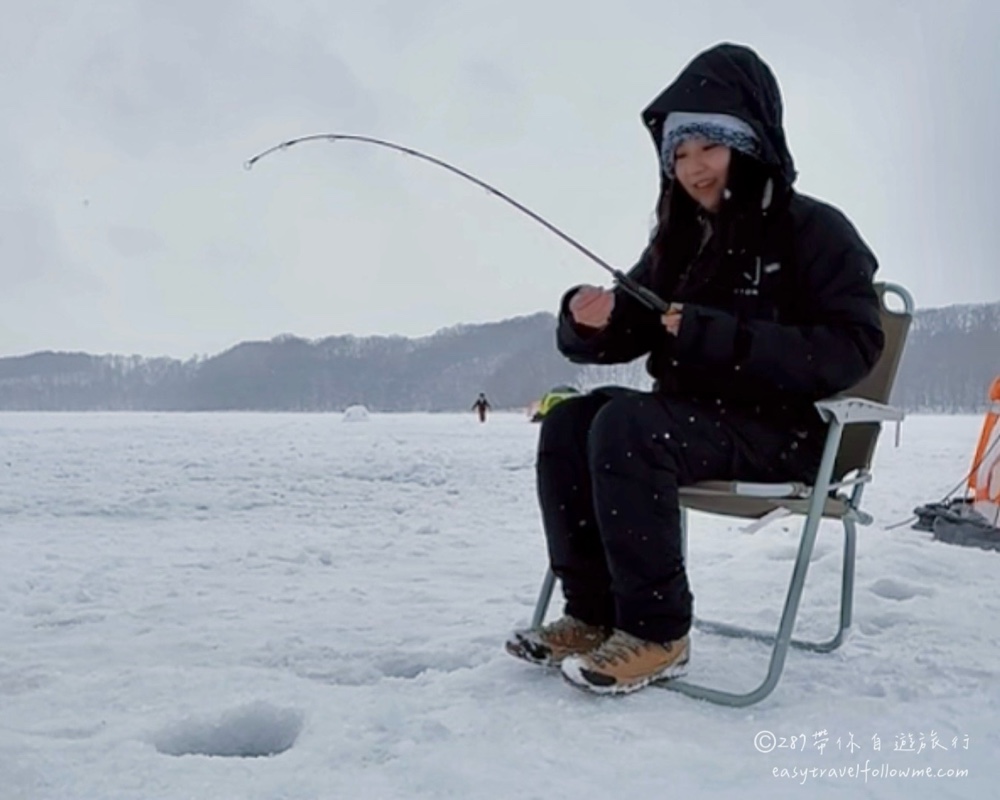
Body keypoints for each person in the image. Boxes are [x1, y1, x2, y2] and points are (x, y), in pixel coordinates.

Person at [504, 43, 885, 695]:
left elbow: (852, 347)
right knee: (569, 421)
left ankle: (658, 632)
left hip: (787, 433)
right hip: (696, 423)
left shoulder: (815, 231)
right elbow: (629, 326)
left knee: (627, 424)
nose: (692, 168)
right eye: (679, 153)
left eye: (708, 146)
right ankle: (594, 615)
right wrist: (587, 319)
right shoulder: (681, 239)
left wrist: (722, 336)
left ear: (751, 141)